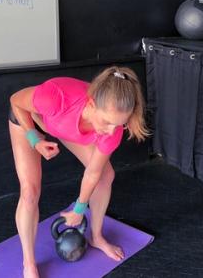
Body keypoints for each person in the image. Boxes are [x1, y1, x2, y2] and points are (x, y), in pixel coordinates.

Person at [8, 66, 149, 278]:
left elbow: (93, 173)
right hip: (30, 120)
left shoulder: (113, 130)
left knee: (104, 176)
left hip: (60, 125)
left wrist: (79, 209)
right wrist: (34, 139)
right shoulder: (55, 97)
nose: (112, 130)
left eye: (118, 124)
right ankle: (29, 263)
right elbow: (15, 100)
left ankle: (97, 236)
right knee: (29, 192)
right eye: (108, 122)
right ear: (92, 104)